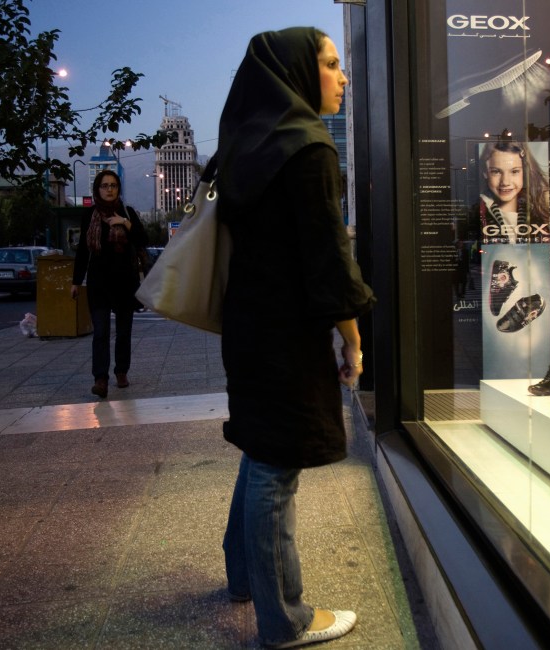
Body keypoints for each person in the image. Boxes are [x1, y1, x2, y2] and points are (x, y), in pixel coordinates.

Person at [217, 27, 375, 649]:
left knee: (260, 449)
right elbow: (329, 258)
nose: (341, 77)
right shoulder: (308, 147)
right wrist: (354, 340)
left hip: (248, 326)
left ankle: (243, 578)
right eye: (332, 65)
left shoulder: (245, 146)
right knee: (276, 469)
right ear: (297, 73)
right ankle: (284, 620)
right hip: (287, 335)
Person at [71, 170, 148, 398]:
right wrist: (76, 281)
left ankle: (121, 371)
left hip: (125, 282)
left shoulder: (128, 212)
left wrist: (124, 223)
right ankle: (100, 379)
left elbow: (143, 240)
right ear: (97, 189)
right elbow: (83, 251)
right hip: (99, 283)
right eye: (104, 185)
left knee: (124, 333)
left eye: (113, 185)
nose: (109, 189)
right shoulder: (90, 216)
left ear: (118, 188)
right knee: (101, 332)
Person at [476, 141, 550, 244]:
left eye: (514, 171)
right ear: (485, 173)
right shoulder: (478, 213)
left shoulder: (542, 209)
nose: (505, 182)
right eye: (496, 172)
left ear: (525, 172)